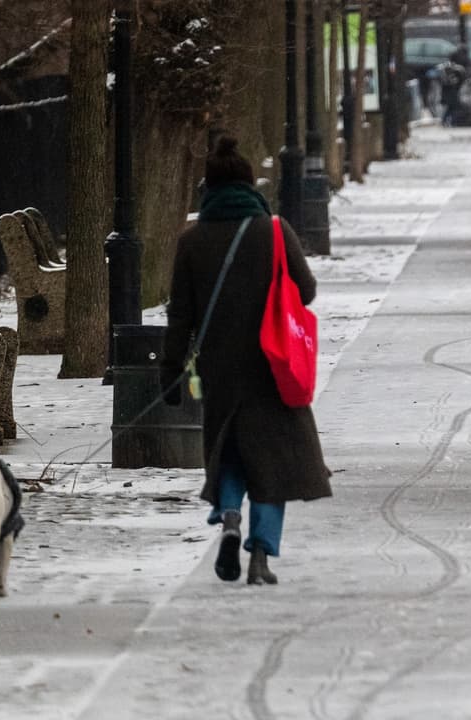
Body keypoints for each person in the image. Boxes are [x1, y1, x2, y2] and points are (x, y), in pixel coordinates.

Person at [161, 136, 332, 586]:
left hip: (221, 367)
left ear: (208, 187)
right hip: (274, 365)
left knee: (230, 453)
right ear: (249, 183)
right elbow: (307, 290)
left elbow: (179, 314)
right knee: (273, 462)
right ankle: (261, 555)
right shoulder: (274, 230)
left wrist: (170, 370)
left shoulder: (192, 240)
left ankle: (231, 515)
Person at [438, 45, 470, 127]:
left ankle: (446, 121)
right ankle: (450, 121)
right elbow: (456, 81)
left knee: (451, 107)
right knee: (454, 107)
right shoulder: (456, 69)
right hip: (452, 92)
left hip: (449, 92)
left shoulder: (447, 68)